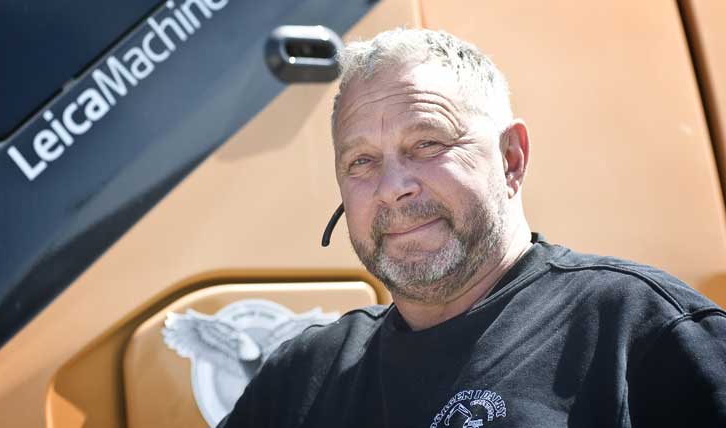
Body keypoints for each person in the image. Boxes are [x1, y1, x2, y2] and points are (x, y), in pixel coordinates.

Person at [218, 28, 726, 427]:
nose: (392, 188)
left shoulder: (644, 331)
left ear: (510, 158)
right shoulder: (299, 378)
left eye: (427, 144)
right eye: (361, 161)